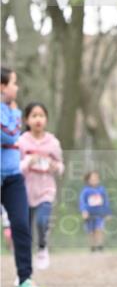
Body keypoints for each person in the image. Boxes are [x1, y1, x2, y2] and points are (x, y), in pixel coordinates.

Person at [0, 67, 46, 287]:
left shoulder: (9, 110)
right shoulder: (11, 112)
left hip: (13, 177)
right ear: (2, 87)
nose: (16, 88)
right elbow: (8, 134)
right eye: (13, 83)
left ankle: (25, 280)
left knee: (21, 224)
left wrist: (13, 115)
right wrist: (17, 116)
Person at [18, 101, 64, 270]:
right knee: (26, 229)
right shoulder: (22, 141)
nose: (38, 119)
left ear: (46, 119)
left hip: (46, 188)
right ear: (26, 120)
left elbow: (61, 166)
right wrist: (29, 161)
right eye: (34, 115)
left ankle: (43, 247)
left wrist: (55, 166)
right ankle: (25, 264)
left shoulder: (52, 142)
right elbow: (16, 168)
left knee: (43, 221)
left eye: (41, 116)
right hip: (25, 190)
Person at [79, 170, 110, 251]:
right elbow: (82, 202)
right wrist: (84, 211)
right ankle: (92, 246)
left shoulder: (102, 190)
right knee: (90, 231)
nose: (94, 180)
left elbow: (106, 201)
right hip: (89, 213)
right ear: (88, 180)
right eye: (92, 179)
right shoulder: (85, 191)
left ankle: (100, 245)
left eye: (96, 178)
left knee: (99, 229)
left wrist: (107, 212)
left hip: (99, 213)